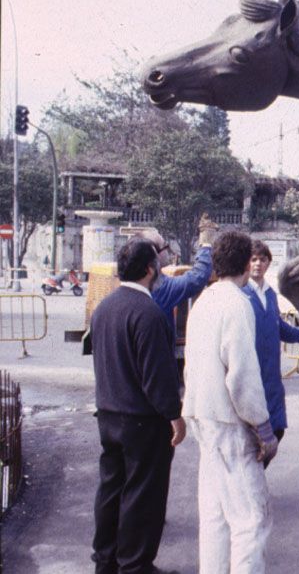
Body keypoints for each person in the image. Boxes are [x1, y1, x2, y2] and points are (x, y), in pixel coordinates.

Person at [182, 230, 279, 574]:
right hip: (230, 424)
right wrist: (264, 430)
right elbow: (242, 375)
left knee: (215, 518)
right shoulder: (238, 303)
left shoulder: (204, 300)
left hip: (202, 418)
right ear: (242, 262)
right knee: (251, 520)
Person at [90, 238, 185, 574]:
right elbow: (158, 378)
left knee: (111, 489)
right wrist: (175, 417)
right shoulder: (150, 313)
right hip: (143, 420)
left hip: (109, 412)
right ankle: (135, 564)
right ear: (150, 269)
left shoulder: (104, 307)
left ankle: (107, 559)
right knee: (143, 494)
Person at [242, 240, 299, 455]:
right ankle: (250, 484)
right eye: (253, 259)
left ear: (269, 263)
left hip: (272, 378)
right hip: (250, 375)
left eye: (262, 259)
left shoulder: (270, 294)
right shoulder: (241, 294)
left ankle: (255, 478)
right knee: (252, 437)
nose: (257, 264)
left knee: (277, 430)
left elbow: (279, 327)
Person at [139, 213, 217, 352]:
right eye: (165, 246)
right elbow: (197, 278)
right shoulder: (159, 288)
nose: (168, 250)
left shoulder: (137, 282)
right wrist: (205, 245)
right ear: (153, 253)